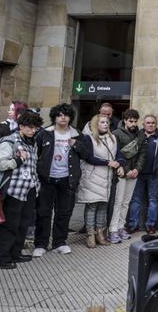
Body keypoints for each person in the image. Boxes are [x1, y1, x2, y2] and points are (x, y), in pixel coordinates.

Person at [33, 103, 88, 257]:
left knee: (64, 213)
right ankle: (41, 244)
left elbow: (86, 154)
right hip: (47, 179)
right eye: (59, 115)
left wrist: (76, 144)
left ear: (70, 117)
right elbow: (36, 153)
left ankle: (59, 242)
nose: (62, 117)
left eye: (66, 114)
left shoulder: (77, 134)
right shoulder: (45, 133)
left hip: (67, 179)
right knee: (43, 212)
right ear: (54, 117)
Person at [0, 110, 42, 269]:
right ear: (21, 125)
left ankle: (15, 253)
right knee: (10, 225)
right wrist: (17, 160)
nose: (33, 130)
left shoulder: (32, 141)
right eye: (30, 127)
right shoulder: (9, 141)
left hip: (29, 189)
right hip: (13, 190)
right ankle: (2, 258)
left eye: (35, 128)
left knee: (23, 224)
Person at [77, 115, 119, 248]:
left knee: (102, 206)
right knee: (92, 206)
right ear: (96, 124)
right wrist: (107, 162)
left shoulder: (112, 138)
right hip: (92, 176)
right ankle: (90, 235)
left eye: (107, 122)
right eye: (102, 122)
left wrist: (120, 163)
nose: (105, 124)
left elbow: (118, 155)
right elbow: (88, 157)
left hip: (107, 177)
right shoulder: (89, 138)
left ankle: (100, 234)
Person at [109, 109, 143, 243]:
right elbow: (116, 153)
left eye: (135, 121)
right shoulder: (116, 133)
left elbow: (142, 154)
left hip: (134, 173)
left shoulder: (140, 134)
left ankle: (121, 227)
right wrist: (126, 169)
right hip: (121, 172)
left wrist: (137, 170)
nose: (133, 123)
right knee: (118, 202)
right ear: (125, 120)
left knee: (126, 202)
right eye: (131, 121)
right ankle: (113, 230)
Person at [127, 115, 158, 235]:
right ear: (143, 124)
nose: (151, 125)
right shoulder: (137, 135)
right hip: (138, 173)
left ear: (156, 124)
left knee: (153, 200)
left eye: (153, 123)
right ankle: (133, 225)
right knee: (135, 200)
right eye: (148, 123)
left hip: (154, 174)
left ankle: (151, 225)